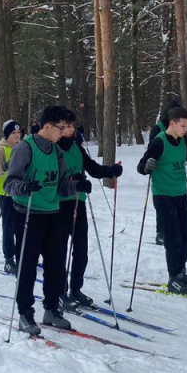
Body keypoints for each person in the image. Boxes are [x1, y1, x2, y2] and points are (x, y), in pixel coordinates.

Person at [4, 106, 88, 335]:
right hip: (29, 214)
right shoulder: (25, 148)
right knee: (28, 267)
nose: (64, 132)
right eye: (61, 127)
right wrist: (24, 187)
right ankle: (25, 313)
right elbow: (9, 183)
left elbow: (61, 186)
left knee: (56, 267)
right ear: (48, 126)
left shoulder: (57, 152)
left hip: (53, 214)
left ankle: (51, 309)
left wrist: (77, 186)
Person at [137, 105, 187, 295]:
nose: (185, 129)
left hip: (180, 194)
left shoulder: (181, 141)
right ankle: (173, 278)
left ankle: (181, 272)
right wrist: (147, 166)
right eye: (183, 126)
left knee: (185, 236)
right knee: (173, 238)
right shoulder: (159, 142)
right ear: (172, 124)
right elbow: (141, 166)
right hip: (163, 196)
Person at [57, 111, 122, 309]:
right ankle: (59, 292)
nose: (71, 129)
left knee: (81, 251)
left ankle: (76, 289)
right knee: (59, 252)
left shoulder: (76, 146)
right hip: (59, 205)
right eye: (67, 126)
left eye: (72, 126)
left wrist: (110, 171)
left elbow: (92, 168)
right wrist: (74, 182)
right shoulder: (53, 148)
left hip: (79, 203)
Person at [149, 99, 182, 246]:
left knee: (176, 204)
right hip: (161, 172)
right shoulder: (158, 129)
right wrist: (150, 164)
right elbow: (151, 150)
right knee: (162, 203)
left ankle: (176, 232)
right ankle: (160, 232)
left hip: (175, 173)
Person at [0, 120, 22, 275]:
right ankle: (9, 259)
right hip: (5, 192)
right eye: (13, 133)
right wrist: (4, 167)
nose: (17, 136)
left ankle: (22, 255)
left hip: (19, 191)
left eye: (18, 132)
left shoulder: (22, 147)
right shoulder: (1, 148)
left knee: (21, 225)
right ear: (7, 135)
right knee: (9, 226)